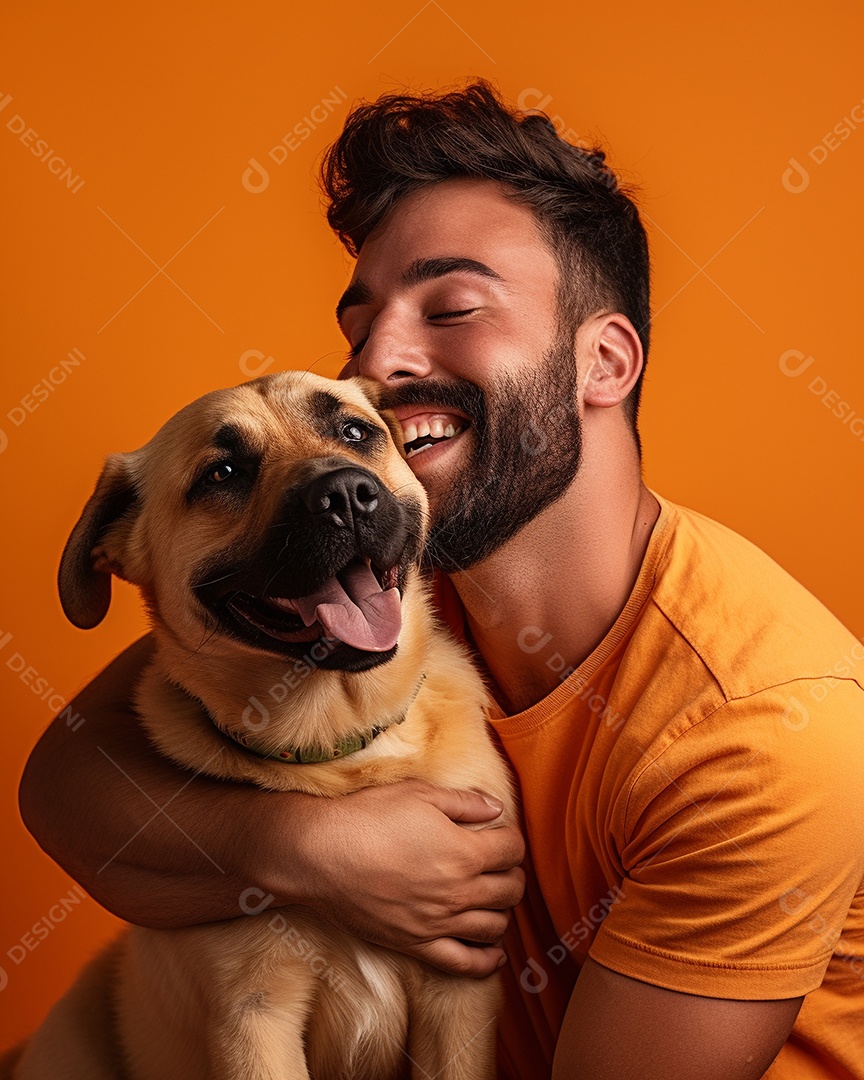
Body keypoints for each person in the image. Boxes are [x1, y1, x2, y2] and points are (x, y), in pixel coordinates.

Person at [19, 82, 864, 1079]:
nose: (376, 361)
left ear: (606, 361)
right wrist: (313, 849)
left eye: (451, 307)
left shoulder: (762, 733)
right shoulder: (380, 584)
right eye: (361, 321)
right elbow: (69, 781)